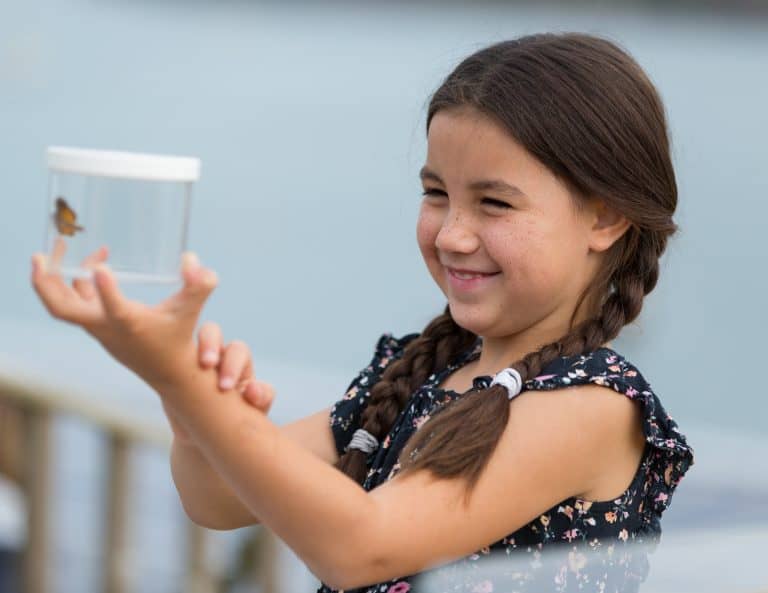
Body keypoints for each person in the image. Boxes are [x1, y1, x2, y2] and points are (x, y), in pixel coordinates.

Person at [30, 32, 694, 593]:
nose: (452, 233)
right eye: (436, 193)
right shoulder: (416, 370)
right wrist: (194, 400)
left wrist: (177, 378)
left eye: (494, 203)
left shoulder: (592, 404)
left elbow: (360, 547)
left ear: (604, 215)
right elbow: (213, 498)